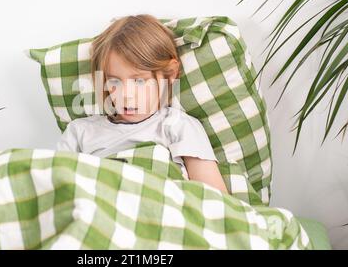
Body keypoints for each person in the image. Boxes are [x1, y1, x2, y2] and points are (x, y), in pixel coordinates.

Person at [56, 14, 228, 194]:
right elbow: (58, 191)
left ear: (169, 74)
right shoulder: (79, 132)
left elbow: (216, 200)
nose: (126, 96)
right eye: (114, 81)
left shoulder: (178, 126)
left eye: (139, 81)